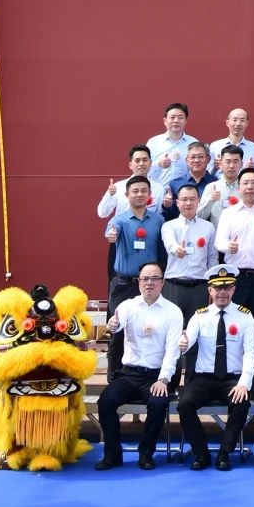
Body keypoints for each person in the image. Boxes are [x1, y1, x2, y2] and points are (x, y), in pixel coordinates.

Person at [96, 264, 182, 470]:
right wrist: (113, 326)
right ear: (139, 281)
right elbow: (117, 323)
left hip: (155, 375)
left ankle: (146, 454)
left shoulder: (173, 312)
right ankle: (112, 455)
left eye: (154, 278)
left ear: (162, 282)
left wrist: (163, 380)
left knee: (158, 404)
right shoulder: (128, 306)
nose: (149, 283)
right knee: (106, 401)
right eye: (145, 279)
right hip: (128, 374)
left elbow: (173, 350)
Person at [175, 265, 254, 471]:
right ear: (210, 290)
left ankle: (225, 453)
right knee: (184, 405)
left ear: (234, 289)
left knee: (241, 403)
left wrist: (244, 384)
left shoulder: (245, 316)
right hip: (204, 378)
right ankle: (201, 453)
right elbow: (187, 341)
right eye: (217, 288)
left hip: (232, 378)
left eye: (227, 287)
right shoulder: (199, 316)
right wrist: (183, 343)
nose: (222, 292)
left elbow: (251, 353)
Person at [213, 167, 254, 389]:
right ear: (239, 187)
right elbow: (219, 242)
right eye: (245, 183)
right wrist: (228, 246)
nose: (250, 187)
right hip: (236, 280)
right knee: (233, 329)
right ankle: (232, 382)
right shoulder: (229, 213)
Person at [104, 177, 166, 374]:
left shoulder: (158, 220)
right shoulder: (119, 220)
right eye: (135, 191)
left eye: (143, 191)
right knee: (118, 331)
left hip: (150, 284)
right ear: (126, 195)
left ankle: (148, 376)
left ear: (149, 194)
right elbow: (111, 230)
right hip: (124, 284)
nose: (139, 194)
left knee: (150, 329)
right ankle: (114, 378)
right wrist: (111, 235)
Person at [160, 183, 214, 326]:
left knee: (198, 328)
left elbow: (212, 257)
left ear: (199, 201)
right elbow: (169, 242)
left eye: (192, 199)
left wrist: (212, 284)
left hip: (200, 286)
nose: (188, 203)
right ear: (177, 202)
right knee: (172, 328)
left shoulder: (208, 227)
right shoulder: (168, 226)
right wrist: (176, 249)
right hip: (174, 286)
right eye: (184, 199)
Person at [98, 148, 170, 229]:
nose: (141, 164)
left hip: (149, 234)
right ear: (130, 165)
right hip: (123, 232)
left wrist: (167, 206)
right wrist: (110, 195)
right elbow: (102, 213)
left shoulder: (158, 188)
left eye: (145, 160)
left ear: (150, 163)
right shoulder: (119, 187)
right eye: (137, 160)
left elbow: (158, 216)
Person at [146, 103, 193, 182]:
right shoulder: (153, 143)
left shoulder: (193, 143)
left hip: (185, 189)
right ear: (165, 121)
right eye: (172, 117)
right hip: (158, 188)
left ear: (185, 121)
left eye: (180, 117)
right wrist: (158, 164)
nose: (176, 121)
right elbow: (144, 167)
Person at [208, 108, 254, 173]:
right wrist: (215, 168)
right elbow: (207, 172)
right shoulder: (215, 146)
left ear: (247, 123)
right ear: (227, 123)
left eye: (242, 120)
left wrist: (252, 169)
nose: (238, 124)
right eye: (234, 120)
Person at [167, 140, 213, 205]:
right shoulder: (175, 184)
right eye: (193, 157)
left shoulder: (215, 183)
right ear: (186, 160)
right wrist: (167, 206)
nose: (196, 160)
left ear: (208, 159)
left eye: (200, 157)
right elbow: (171, 211)